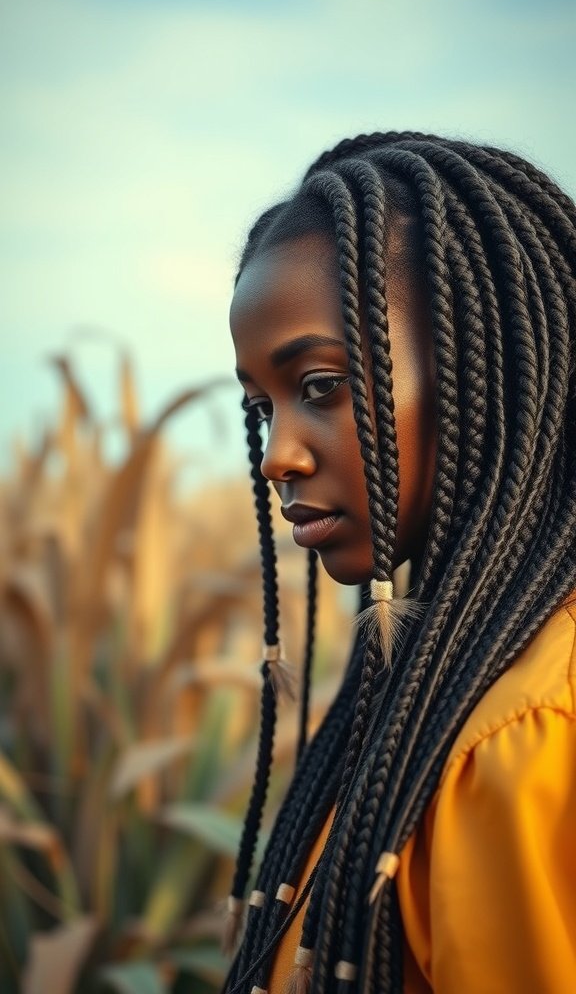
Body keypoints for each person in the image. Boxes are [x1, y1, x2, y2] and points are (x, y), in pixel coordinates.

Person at [222, 131, 576, 993]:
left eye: (318, 387)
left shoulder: (517, 743)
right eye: (260, 408)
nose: (276, 455)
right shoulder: (432, 695)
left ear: (481, 367)